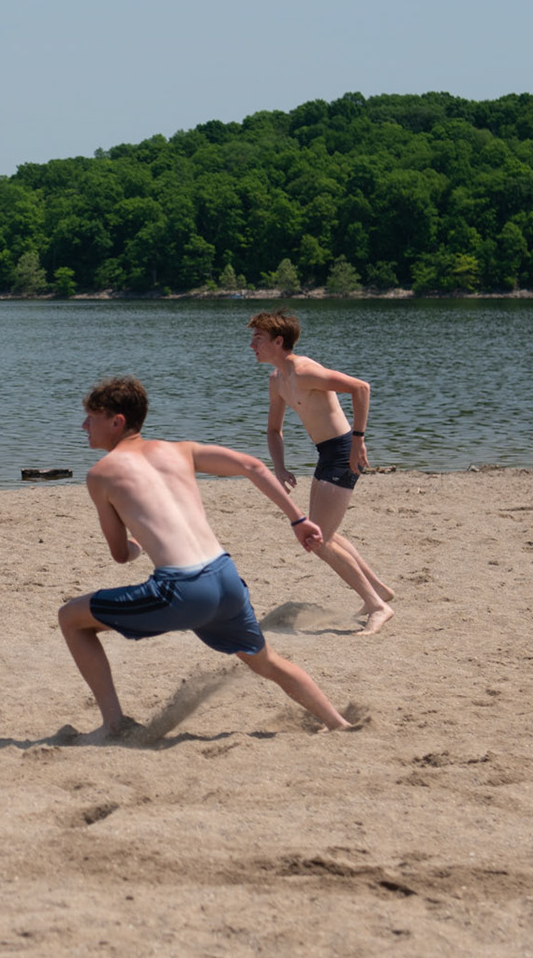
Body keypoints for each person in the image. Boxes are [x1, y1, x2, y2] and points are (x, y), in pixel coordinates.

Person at [57, 376, 354, 740]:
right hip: (226, 579)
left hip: (181, 590)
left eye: (91, 417)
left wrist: (138, 544)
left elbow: (121, 554)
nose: (84, 425)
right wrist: (298, 520)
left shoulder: (101, 474)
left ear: (117, 421)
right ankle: (338, 723)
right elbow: (253, 466)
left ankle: (114, 724)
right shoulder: (180, 450)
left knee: (71, 618)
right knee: (268, 662)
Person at [249, 310, 394, 634]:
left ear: (278, 341)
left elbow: (361, 388)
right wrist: (280, 466)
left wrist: (358, 440)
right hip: (325, 454)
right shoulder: (277, 380)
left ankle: (377, 606)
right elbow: (273, 430)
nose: (251, 345)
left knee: (318, 539)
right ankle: (379, 590)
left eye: (258, 338)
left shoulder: (305, 371)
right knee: (323, 533)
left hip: (343, 453)